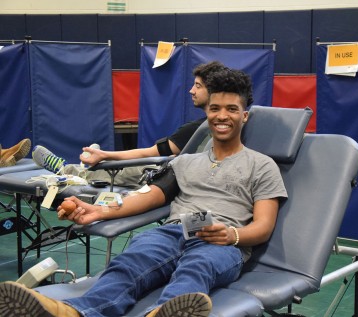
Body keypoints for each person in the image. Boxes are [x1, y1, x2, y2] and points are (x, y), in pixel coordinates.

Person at [0, 68, 288, 317]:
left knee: (197, 267)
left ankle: (165, 312)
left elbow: (264, 226)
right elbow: (151, 196)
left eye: (231, 109)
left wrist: (231, 235)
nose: (222, 116)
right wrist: (98, 210)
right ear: (207, 113)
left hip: (223, 244)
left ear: (245, 116)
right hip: (174, 232)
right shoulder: (185, 162)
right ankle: (76, 311)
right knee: (129, 263)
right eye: (215, 109)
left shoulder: (262, 165)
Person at [31, 61, 227, 186]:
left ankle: (66, 171)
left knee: (134, 167)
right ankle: (92, 160)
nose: (191, 91)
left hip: (172, 179)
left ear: (214, 92)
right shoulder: (232, 127)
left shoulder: (198, 130)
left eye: (198, 86)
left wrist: (104, 156)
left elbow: (147, 154)